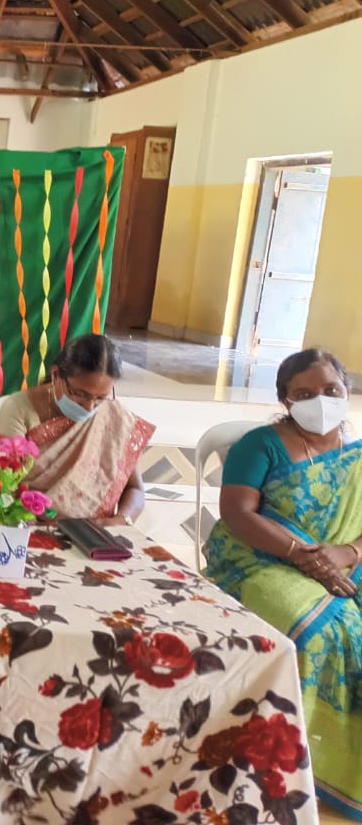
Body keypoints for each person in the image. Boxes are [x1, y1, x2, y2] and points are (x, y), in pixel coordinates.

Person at [204, 348, 362, 820]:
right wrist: (303, 556)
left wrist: (348, 554)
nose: (320, 400)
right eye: (304, 394)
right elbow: (236, 514)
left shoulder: (356, 456)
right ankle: (300, 760)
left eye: (331, 390)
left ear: (347, 390)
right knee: (326, 630)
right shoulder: (261, 445)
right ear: (285, 400)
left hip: (345, 558)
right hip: (258, 559)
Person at [0, 333, 153, 523]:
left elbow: (135, 489)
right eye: (80, 394)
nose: (89, 407)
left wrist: (121, 520)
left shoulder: (114, 416)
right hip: (30, 523)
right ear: (56, 375)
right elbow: (1, 484)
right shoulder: (19, 409)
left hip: (94, 530)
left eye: (101, 398)